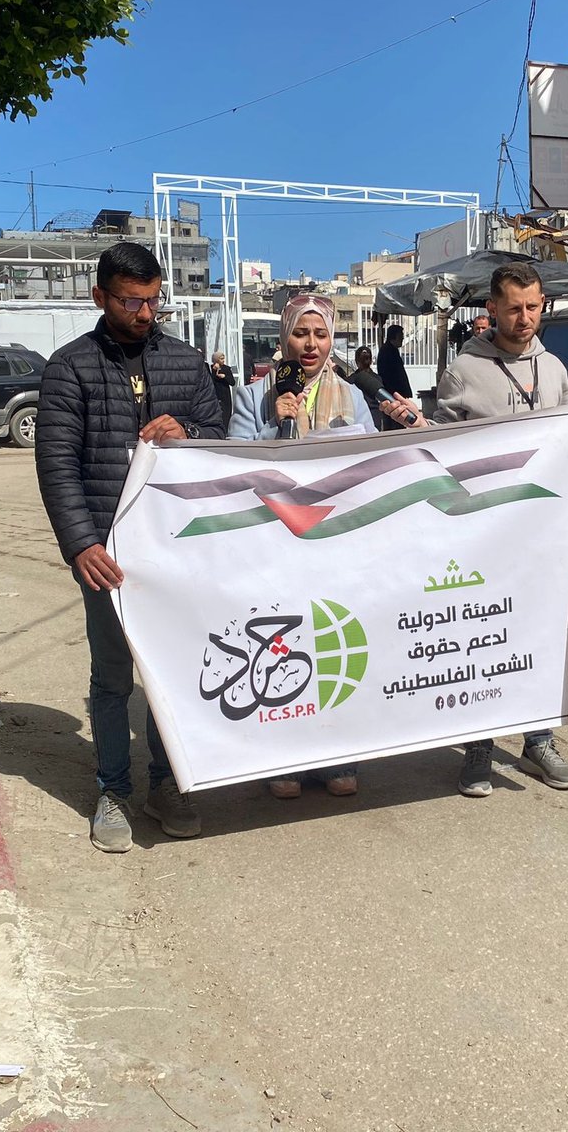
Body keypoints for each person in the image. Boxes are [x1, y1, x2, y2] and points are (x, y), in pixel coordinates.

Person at [36, 242, 226, 853]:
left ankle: (167, 784)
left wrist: (187, 429)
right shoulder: (70, 368)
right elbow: (57, 465)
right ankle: (113, 789)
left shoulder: (186, 363)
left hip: (175, 550)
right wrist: (80, 544)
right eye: (130, 301)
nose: (145, 313)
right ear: (100, 296)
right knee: (114, 677)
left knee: (173, 670)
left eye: (152, 300)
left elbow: (217, 433)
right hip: (107, 556)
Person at [431, 260, 568, 798]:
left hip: (541, 535)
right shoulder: (464, 370)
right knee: (484, 636)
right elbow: (441, 448)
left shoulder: (554, 369)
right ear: (492, 309)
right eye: (514, 308)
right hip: (483, 534)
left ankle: (539, 741)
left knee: (538, 632)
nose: (525, 317)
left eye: (533, 306)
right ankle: (479, 746)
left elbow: (567, 441)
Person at [229, 294, 419, 798]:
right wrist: (273, 422)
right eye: (300, 333)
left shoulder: (353, 396)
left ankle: (338, 756)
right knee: (286, 645)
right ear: (284, 337)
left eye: (319, 334)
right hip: (275, 541)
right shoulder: (253, 396)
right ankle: (284, 760)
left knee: (335, 641)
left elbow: (369, 464)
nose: (310, 345)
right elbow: (234, 469)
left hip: (337, 541)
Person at [350, 345, 387, 429]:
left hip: (358, 418)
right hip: (375, 416)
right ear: (370, 361)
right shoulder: (378, 378)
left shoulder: (351, 380)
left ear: (356, 361)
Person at [377, 323, 412, 408]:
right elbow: (390, 375)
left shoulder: (392, 350)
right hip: (393, 395)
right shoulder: (387, 351)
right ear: (393, 337)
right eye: (400, 336)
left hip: (396, 394)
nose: (402, 338)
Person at [208, 350, 235, 429]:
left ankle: (225, 429)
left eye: (223, 358)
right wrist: (214, 371)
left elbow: (232, 382)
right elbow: (210, 381)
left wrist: (225, 377)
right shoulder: (210, 368)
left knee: (226, 413)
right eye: (221, 359)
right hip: (215, 394)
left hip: (225, 394)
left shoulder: (226, 369)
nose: (223, 360)